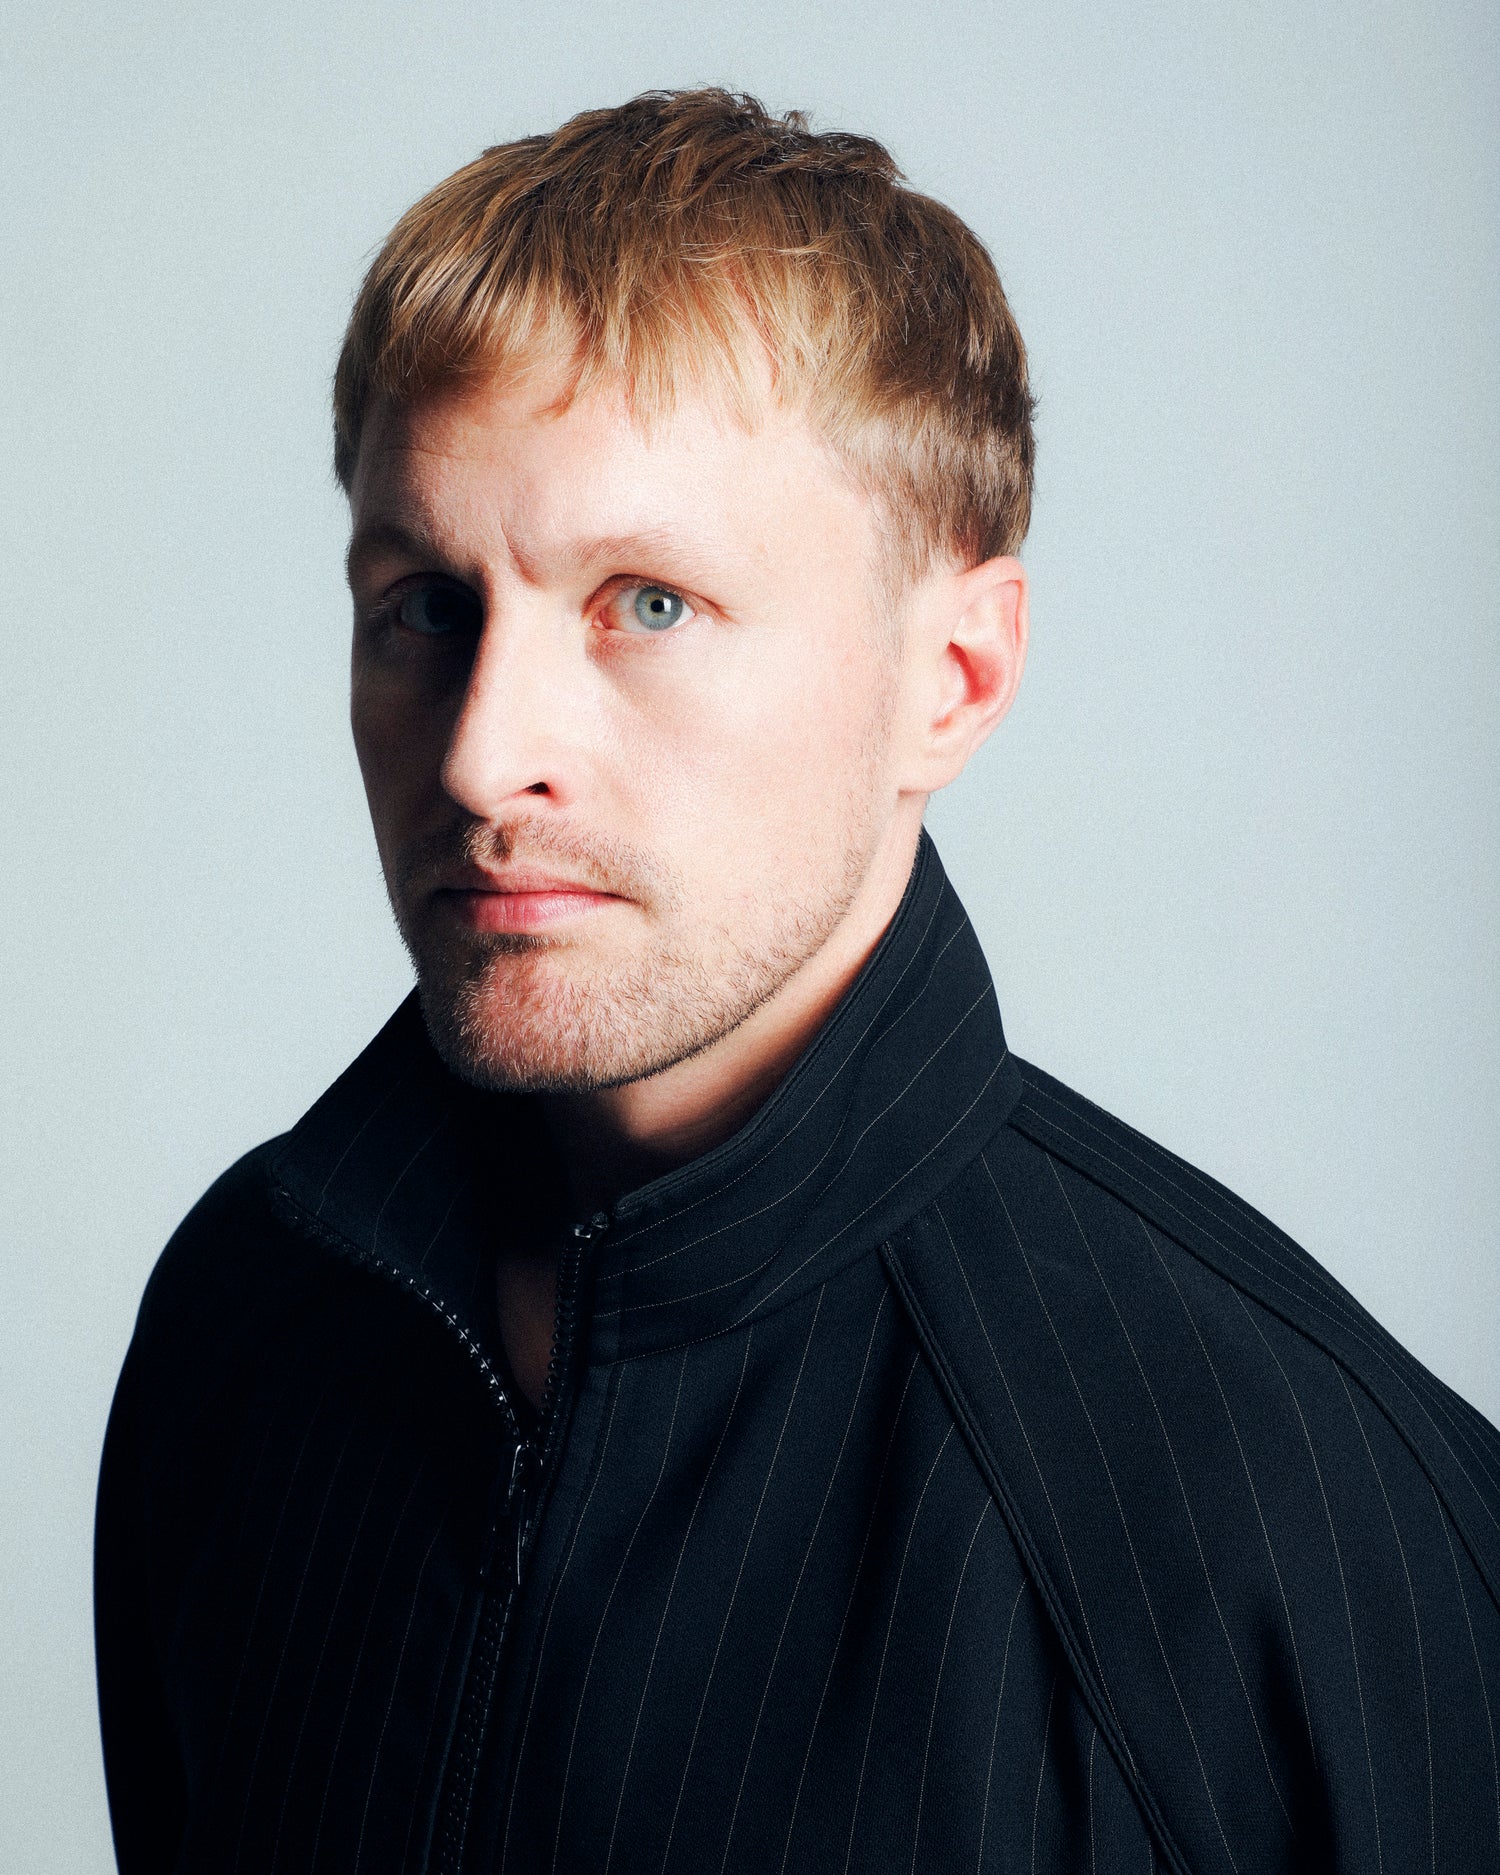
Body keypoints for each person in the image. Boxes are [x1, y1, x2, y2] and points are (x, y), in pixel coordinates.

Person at [94, 88, 1500, 1875]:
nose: (479, 758)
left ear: (954, 679)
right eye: (427, 606)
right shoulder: (247, 1316)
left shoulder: (1311, 1525)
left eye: (649, 603)